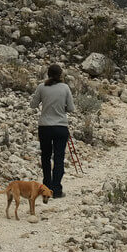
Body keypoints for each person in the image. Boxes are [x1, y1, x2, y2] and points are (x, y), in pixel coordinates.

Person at [29, 63, 74, 198]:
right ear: (60, 75)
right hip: (61, 127)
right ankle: (57, 190)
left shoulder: (42, 87)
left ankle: (46, 187)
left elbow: (33, 105)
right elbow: (71, 108)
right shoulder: (65, 88)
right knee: (59, 158)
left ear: (47, 74)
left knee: (46, 157)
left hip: (45, 127)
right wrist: (62, 108)